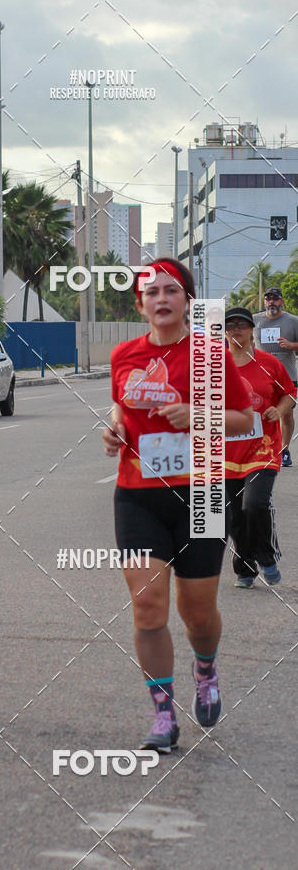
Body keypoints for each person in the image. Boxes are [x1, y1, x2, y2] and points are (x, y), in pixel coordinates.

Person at [103, 258, 253, 753]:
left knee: (199, 614)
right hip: (138, 495)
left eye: (171, 290)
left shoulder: (212, 354)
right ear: (140, 304)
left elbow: (243, 419)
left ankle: (205, 669)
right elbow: (121, 405)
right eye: (152, 292)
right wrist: (114, 427)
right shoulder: (124, 354)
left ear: (187, 301)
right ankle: (163, 715)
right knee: (148, 606)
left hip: (202, 494)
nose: (161, 299)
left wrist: (197, 414)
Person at [224, 306, 295, 587]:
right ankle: (245, 569)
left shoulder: (269, 363)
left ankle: (267, 556)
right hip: (227, 453)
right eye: (230, 325)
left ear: (252, 329)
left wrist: (279, 410)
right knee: (235, 515)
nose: (236, 329)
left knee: (255, 504)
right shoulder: (213, 367)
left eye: (242, 324)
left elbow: (290, 394)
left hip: (262, 449)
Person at [253, 286, 298, 467]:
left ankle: (284, 450)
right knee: (259, 413)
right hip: (261, 376)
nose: (271, 302)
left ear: (282, 301)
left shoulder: (293, 321)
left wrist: (291, 345)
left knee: (285, 414)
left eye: (275, 298)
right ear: (264, 301)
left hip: (287, 375)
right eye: (268, 298)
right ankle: (262, 449)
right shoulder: (254, 320)